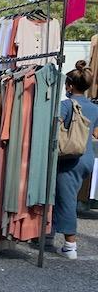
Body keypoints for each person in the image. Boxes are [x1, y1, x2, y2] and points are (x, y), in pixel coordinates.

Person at [52, 60, 98, 259]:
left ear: (69, 86)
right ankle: (48, 233)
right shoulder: (95, 108)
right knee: (65, 197)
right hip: (87, 157)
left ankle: (71, 246)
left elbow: (55, 129)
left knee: (66, 200)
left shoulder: (66, 105)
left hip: (69, 159)